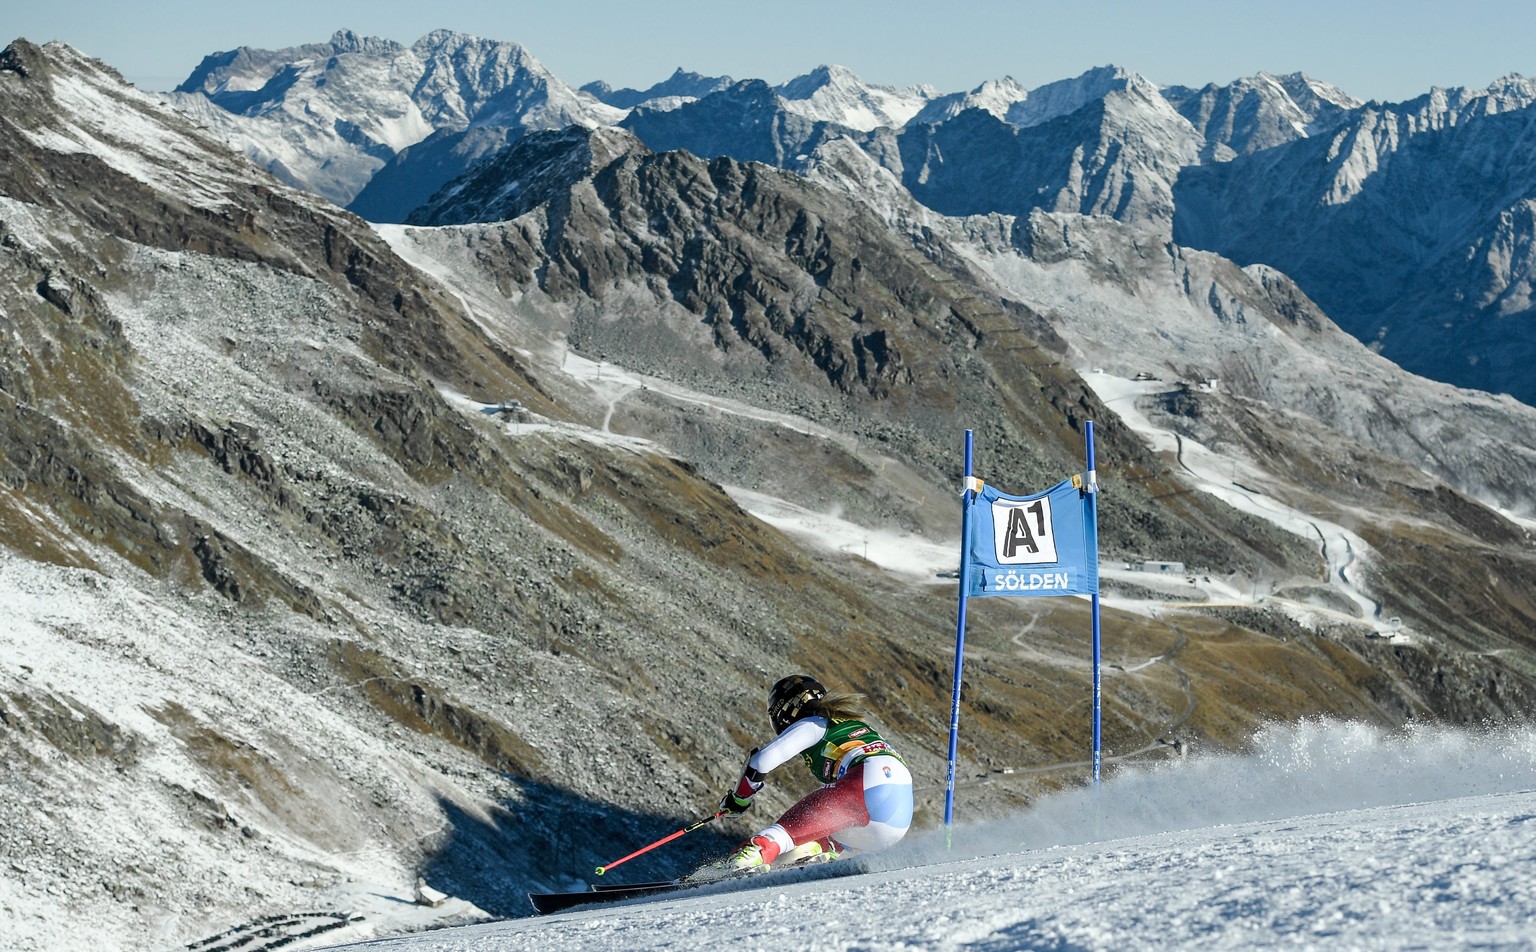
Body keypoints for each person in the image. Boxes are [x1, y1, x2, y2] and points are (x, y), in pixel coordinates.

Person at [691, 674, 914, 880]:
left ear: (786, 710)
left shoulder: (814, 723)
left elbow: (760, 761)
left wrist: (739, 800)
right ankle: (814, 852)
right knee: (829, 828)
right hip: (895, 818)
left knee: (782, 833)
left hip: (870, 779)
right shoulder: (851, 726)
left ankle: (744, 859)